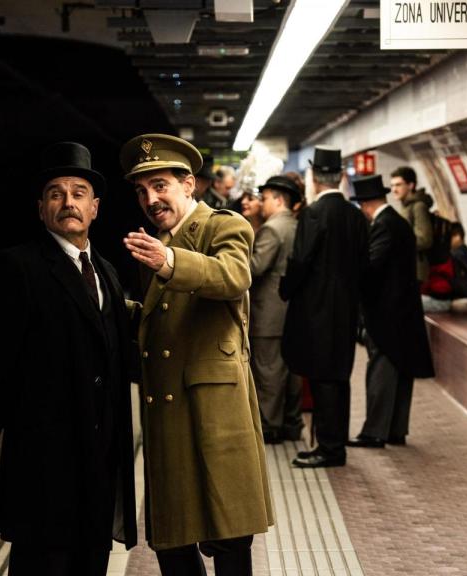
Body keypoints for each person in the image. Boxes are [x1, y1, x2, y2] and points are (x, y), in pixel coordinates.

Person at [0, 142, 138, 575]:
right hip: (44, 460)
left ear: (95, 208)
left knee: (90, 562)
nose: (68, 203)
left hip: (101, 456)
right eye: (56, 194)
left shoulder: (107, 271)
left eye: (79, 194)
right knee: (43, 563)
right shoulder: (17, 267)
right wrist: (26, 425)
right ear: (41, 209)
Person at [119, 133, 272, 576]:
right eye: (142, 191)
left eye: (161, 185)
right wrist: (103, 300)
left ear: (189, 185)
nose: (151, 198)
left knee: (228, 539)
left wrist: (169, 262)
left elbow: (232, 277)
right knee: (172, 541)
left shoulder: (224, 226)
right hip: (168, 414)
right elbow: (157, 318)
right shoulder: (156, 243)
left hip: (215, 415)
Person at [281, 146, 369, 468]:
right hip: (345, 311)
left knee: (321, 378)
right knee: (339, 377)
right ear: (341, 176)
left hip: (316, 311)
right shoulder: (356, 216)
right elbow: (365, 265)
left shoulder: (314, 214)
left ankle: (329, 449)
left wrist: (286, 289)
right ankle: (334, 443)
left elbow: (301, 260)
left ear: (315, 178)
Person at [347, 175, 434, 449]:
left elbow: (373, 266)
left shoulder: (384, 225)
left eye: (362, 204)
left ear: (367, 203)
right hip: (403, 313)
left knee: (381, 373)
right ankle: (396, 429)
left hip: (387, 315)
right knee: (400, 370)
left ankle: (375, 432)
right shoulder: (398, 223)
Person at [249, 175, 304, 445]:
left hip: (269, 313)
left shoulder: (272, 229)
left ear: (279, 200)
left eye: (265, 198)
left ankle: (270, 426)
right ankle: (292, 423)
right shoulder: (297, 226)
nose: (262, 203)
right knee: (291, 372)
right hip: (292, 312)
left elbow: (255, 267)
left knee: (268, 371)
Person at [389, 166, 433, 283]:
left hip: (416, 271)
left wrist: (396, 241)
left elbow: (425, 240)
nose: (394, 189)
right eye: (392, 185)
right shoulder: (406, 206)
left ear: (411, 185)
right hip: (407, 267)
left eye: (398, 185)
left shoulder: (418, 207)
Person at [422, 221, 467, 312]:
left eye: (449, 238)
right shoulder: (457, 254)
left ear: (458, 237)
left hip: (445, 298)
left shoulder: (459, 255)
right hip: (445, 297)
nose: (446, 241)